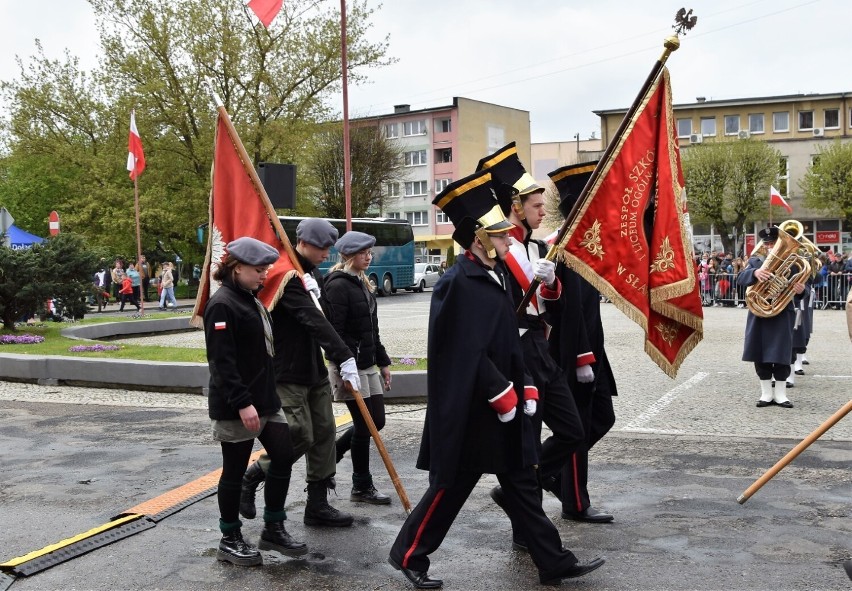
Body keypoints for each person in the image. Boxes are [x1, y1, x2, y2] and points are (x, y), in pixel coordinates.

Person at [388, 170, 604, 589]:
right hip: (474, 407)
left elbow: (508, 341)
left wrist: (522, 384)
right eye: (501, 235)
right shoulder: (458, 283)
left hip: (505, 402)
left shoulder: (497, 275)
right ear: (479, 238)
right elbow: (462, 352)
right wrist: (503, 393)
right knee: (451, 486)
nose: (509, 241)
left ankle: (553, 561)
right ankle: (409, 554)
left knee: (522, 481)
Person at [477, 143, 585, 547]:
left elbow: (549, 303)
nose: (543, 212)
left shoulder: (539, 248)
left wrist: (552, 281)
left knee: (572, 430)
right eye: (537, 206)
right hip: (517, 352)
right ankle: (526, 531)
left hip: (542, 348)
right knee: (527, 442)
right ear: (516, 207)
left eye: (543, 206)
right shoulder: (499, 249)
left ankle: (516, 496)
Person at [240, 218, 360, 528]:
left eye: (328, 247)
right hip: (287, 371)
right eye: (321, 247)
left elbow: (326, 319)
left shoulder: (312, 275)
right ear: (302, 244)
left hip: (313, 370)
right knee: (298, 434)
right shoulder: (285, 275)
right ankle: (254, 476)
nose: (326, 252)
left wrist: (319, 295)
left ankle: (317, 504)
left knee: (324, 434)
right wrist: (343, 356)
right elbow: (311, 321)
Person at [203, 236, 306, 567]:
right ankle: (229, 537)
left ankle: (273, 526)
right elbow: (222, 363)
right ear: (236, 268)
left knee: (284, 454)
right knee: (233, 469)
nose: (264, 276)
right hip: (238, 404)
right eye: (259, 270)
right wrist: (243, 402)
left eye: (266, 270)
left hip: (265, 399)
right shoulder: (223, 304)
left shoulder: (249, 298)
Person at [547, 161, 617, 524]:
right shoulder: (564, 248)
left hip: (592, 347)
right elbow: (568, 310)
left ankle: (550, 472)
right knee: (575, 429)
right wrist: (581, 358)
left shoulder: (585, 244)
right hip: (573, 351)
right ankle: (574, 501)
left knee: (602, 418)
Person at [324, 231, 393, 505]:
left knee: (377, 422)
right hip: (347, 365)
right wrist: (344, 363)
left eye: (370, 252)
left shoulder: (362, 283)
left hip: (366, 364)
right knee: (365, 426)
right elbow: (334, 332)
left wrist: (384, 361)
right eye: (363, 252)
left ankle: (331, 457)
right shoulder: (337, 285)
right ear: (349, 255)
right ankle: (361, 486)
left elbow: (372, 329)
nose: (368, 257)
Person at [736, 226, 805, 408]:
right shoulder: (755, 261)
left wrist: (800, 291)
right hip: (759, 312)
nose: (770, 246)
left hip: (782, 313)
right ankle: (766, 393)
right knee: (760, 352)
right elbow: (740, 278)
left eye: (773, 242)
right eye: (767, 243)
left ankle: (781, 394)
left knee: (782, 353)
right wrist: (754, 273)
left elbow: (801, 287)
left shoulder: (793, 262)